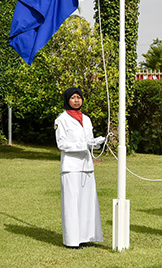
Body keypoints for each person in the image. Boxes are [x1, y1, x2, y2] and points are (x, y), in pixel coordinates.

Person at [55, 87, 105, 249]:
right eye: (73, 97)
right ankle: (72, 240)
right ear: (67, 100)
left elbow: (88, 141)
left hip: (86, 165)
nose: (76, 100)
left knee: (87, 202)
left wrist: (95, 143)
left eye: (79, 97)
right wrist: (85, 144)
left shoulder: (87, 119)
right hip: (71, 166)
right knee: (71, 203)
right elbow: (62, 144)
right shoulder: (61, 119)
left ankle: (85, 236)